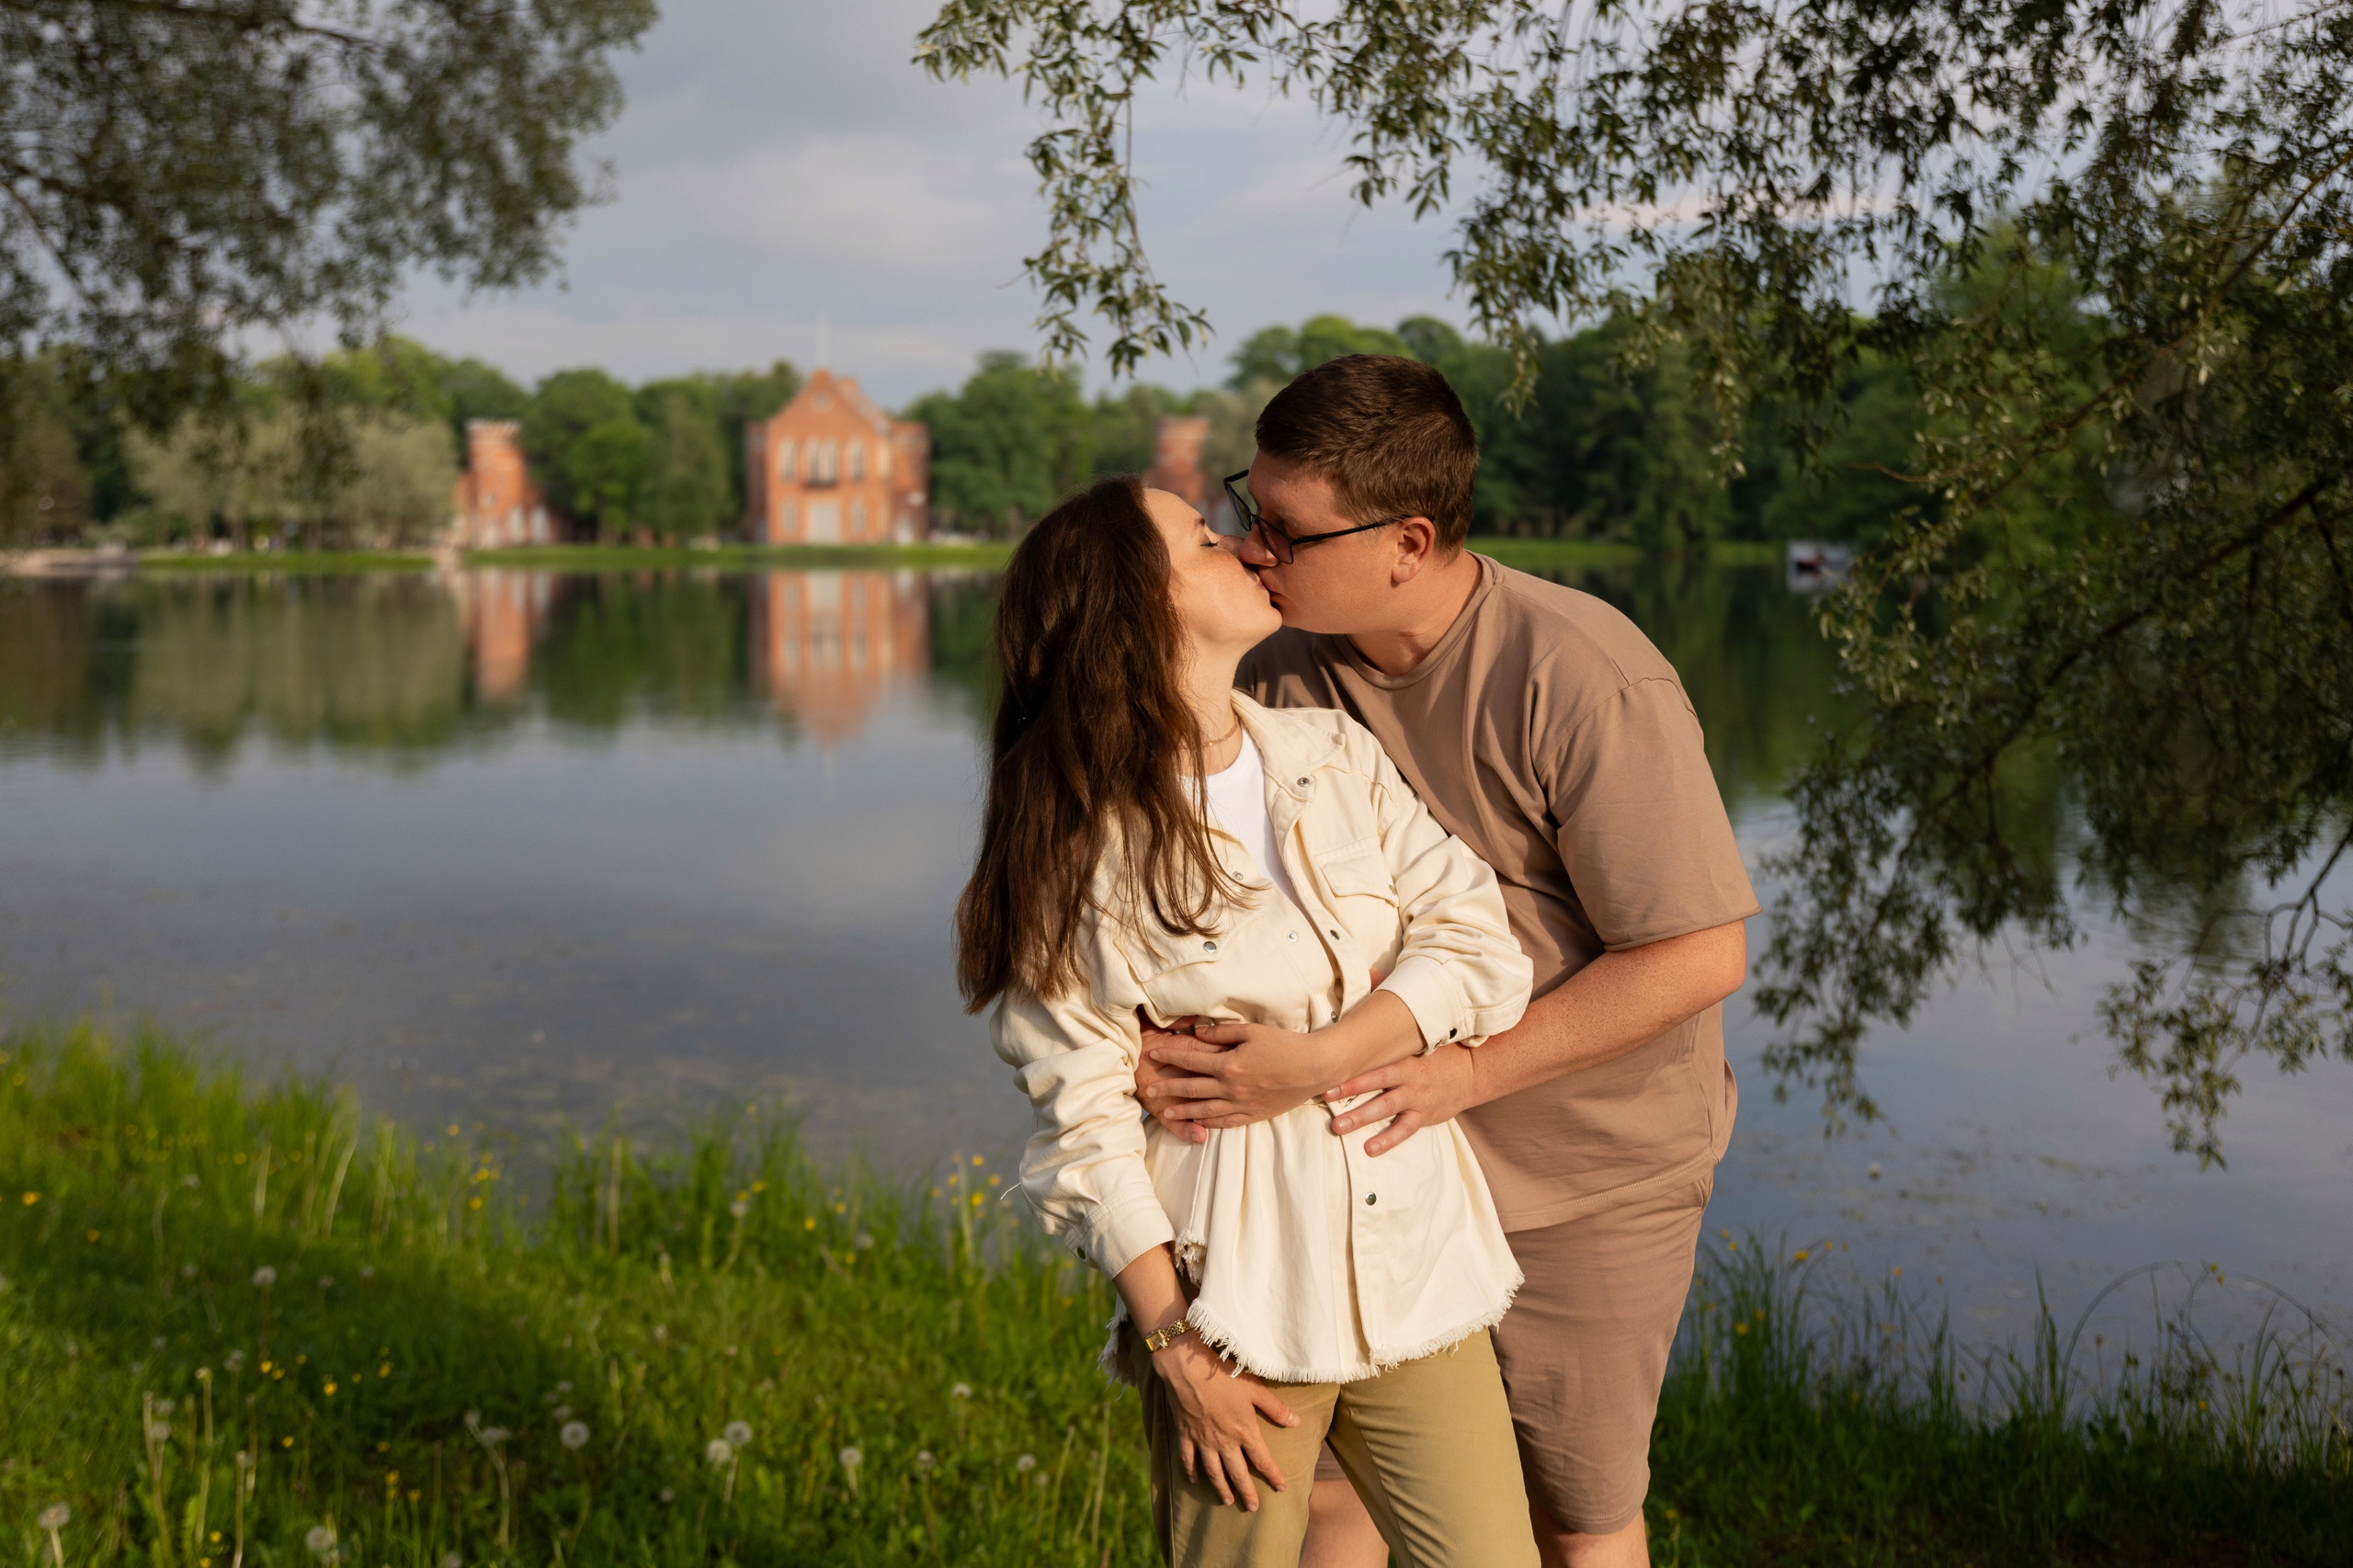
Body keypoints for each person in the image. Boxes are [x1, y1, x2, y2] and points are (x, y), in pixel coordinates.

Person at [1137, 355, 1758, 1568]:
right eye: (1244, 509)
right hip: (1369, 1167)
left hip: (1586, 1174)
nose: (1253, 547)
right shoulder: (1273, 666)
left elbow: (1697, 952)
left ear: (1408, 542)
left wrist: (1468, 1073)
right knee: (1331, 1502)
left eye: (1286, 528)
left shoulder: (1583, 676)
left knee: (1576, 1518)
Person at [955, 474, 1543, 1567]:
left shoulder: (1333, 756)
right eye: (1201, 535)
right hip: (1238, 1306)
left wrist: (1317, 1058)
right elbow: (1083, 1131)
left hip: (1415, 1258)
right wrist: (1179, 1348)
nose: (1246, 543)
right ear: (1142, 601)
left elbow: (1480, 950)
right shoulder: (1077, 844)